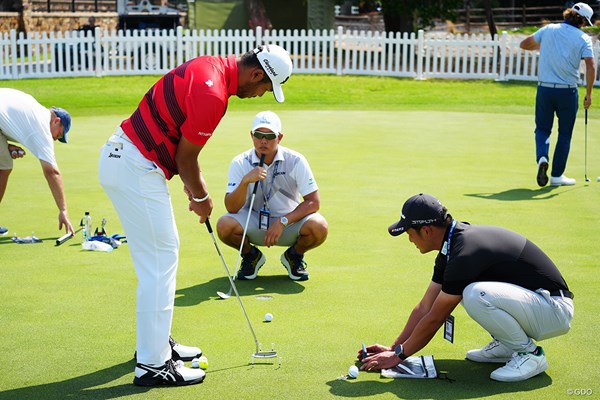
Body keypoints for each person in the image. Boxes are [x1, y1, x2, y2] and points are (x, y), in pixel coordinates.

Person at [98, 44, 293, 386]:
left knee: (158, 261)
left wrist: (192, 187)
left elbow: (178, 149)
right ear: (256, 74)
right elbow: (186, 158)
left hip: (131, 161)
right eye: (264, 87)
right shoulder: (214, 94)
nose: (260, 94)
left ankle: (156, 345)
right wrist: (202, 197)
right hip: (135, 165)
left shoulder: (212, 66)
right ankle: (153, 365)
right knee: (160, 261)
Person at [359, 193, 574, 382]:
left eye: (409, 233)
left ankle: (530, 354)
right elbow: (425, 306)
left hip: (553, 309)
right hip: (536, 304)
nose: (409, 239)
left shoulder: (464, 253)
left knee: (474, 293)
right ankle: (509, 344)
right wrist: (393, 347)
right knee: (466, 290)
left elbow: (435, 317)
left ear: (426, 230)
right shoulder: (451, 247)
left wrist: (398, 356)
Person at [216, 111, 328, 281]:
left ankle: (294, 256)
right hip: (253, 221)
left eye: (270, 135)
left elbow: (313, 202)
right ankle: (251, 256)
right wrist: (245, 182)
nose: (263, 140)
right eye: (259, 135)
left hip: (288, 223)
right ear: (251, 135)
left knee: (319, 226)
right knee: (224, 225)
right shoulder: (240, 162)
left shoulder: (296, 160)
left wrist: (283, 221)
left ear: (280, 137)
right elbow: (231, 207)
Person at [520, 3, 595, 187]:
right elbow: (591, 65)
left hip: (545, 89)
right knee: (565, 134)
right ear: (584, 21)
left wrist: (543, 49)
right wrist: (589, 94)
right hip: (568, 92)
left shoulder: (549, 29)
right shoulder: (583, 38)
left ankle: (542, 157)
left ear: (568, 14)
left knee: (543, 129)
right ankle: (556, 176)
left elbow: (524, 44)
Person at [0, 88, 75, 236]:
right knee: (5, 167)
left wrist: (6, 146)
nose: (55, 139)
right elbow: (51, 172)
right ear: (56, 121)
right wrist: (63, 210)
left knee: (5, 161)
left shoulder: (36, 109)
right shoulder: (42, 128)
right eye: (58, 135)